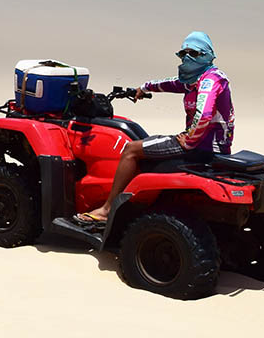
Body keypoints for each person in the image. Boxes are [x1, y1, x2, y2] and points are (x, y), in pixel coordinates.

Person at [76, 31, 234, 224]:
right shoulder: (195, 80)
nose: (186, 58)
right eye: (183, 54)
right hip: (206, 144)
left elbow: (204, 114)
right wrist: (144, 88)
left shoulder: (210, 79)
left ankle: (106, 210)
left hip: (202, 146)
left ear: (206, 54)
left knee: (131, 149)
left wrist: (190, 140)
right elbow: (171, 84)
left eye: (193, 53)